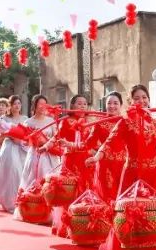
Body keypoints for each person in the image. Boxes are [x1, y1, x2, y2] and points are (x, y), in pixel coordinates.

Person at [93, 85, 156, 250]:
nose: (142, 100)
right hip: (132, 173)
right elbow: (110, 141)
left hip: (154, 174)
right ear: (131, 102)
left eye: (144, 97)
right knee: (129, 215)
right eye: (137, 97)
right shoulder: (125, 122)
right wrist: (98, 155)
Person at [46, 94, 92, 236]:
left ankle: (83, 224)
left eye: (84, 104)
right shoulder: (65, 122)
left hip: (85, 160)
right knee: (69, 190)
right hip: (71, 160)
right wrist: (47, 145)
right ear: (72, 106)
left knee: (85, 189)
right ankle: (67, 225)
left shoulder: (90, 122)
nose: (82, 106)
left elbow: (91, 142)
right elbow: (57, 137)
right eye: (79, 103)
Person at [17, 95, 61, 208]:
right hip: (35, 154)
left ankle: (49, 207)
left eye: (44, 104)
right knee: (32, 179)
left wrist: (46, 144)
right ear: (35, 105)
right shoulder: (28, 122)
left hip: (50, 154)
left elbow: (56, 136)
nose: (42, 106)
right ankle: (31, 206)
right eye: (40, 104)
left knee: (49, 180)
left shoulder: (51, 121)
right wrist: (34, 140)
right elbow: (24, 141)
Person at [0, 95, 28, 212]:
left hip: (22, 147)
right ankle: (7, 200)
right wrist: (9, 135)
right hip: (9, 147)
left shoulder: (25, 118)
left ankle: (20, 199)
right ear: (10, 105)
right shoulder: (4, 118)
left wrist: (21, 139)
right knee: (10, 173)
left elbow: (27, 134)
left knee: (21, 174)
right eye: (15, 103)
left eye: (19, 103)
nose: (17, 106)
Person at [84, 91, 125, 203]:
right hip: (105, 166)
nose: (112, 106)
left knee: (123, 200)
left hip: (124, 166)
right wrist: (96, 154)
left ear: (121, 105)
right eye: (109, 103)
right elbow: (89, 143)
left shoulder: (126, 122)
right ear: (105, 105)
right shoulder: (100, 123)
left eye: (115, 103)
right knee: (107, 200)